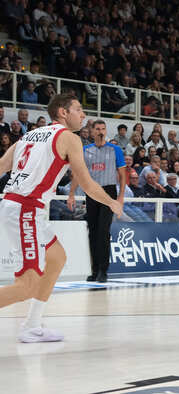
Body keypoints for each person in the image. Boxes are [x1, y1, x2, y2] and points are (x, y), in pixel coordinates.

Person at [0, 93, 121, 343]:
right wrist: (112, 202)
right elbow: (87, 184)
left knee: (57, 258)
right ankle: (31, 325)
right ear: (63, 113)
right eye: (78, 109)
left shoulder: (28, 135)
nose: (83, 115)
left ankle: (32, 325)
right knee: (28, 285)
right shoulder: (68, 137)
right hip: (26, 208)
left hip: (20, 205)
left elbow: (2, 165)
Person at [67, 119, 126, 283]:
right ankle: (94, 270)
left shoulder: (115, 149)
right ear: (92, 132)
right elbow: (79, 174)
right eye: (97, 129)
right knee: (92, 230)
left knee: (103, 231)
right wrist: (71, 193)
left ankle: (103, 270)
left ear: (106, 131)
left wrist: (120, 196)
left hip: (108, 192)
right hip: (92, 192)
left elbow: (122, 174)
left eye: (103, 129)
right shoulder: (85, 150)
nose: (100, 131)